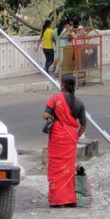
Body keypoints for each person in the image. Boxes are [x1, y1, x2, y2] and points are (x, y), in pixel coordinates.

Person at [43, 73, 86, 207]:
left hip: (57, 136)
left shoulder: (56, 99)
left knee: (56, 167)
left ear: (63, 85)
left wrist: (53, 117)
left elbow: (45, 115)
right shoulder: (79, 103)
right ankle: (70, 200)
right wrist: (76, 136)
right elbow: (83, 125)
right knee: (68, 168)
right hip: (71, 138)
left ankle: (57, 200)